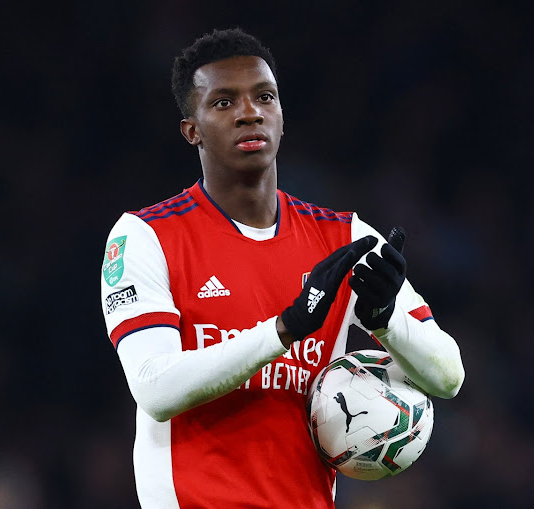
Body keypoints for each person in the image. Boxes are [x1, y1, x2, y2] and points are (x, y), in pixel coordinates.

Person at [100, 27, 465, 509]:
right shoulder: (146, 237)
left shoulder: (346, 238)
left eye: (264, 97)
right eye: (224, 103)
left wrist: (384, 319)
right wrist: (287, 328)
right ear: (192, 130)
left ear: (281, 116)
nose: (249, 112)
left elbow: (448, 377)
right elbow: (156, 387)